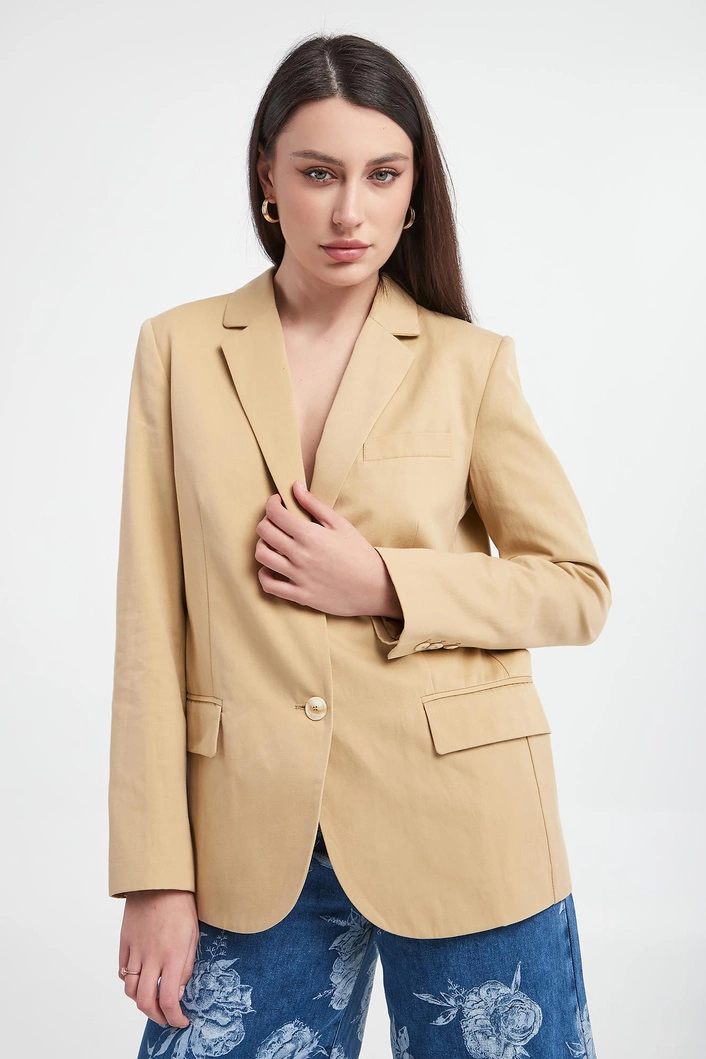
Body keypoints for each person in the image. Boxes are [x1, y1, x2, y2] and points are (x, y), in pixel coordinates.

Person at [109, 32, 610, 1059]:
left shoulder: (468, 363)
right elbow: (148, 628)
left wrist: (385, 582)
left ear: (415, 189)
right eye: (318, 173)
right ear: (267, 179)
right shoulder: (179, 349)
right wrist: (153, 875)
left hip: (466, 823)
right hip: (248, 842)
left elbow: (575, 589)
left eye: (382, 174)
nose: (350, 211)